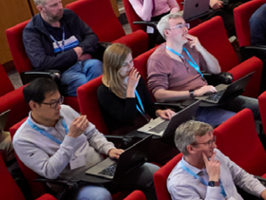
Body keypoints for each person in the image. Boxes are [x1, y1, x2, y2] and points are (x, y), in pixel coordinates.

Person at [16, 78, 160, 200]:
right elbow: (50, 172)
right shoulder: (23, 139)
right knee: (100, 196)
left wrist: (108, 149)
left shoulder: (65, 110)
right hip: (75, 184)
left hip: (101, 169)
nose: (59, 106)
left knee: (152, 172)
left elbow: (92, 134)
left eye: (60, 99)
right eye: (53, 103)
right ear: (34, 105)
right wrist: (70, 138)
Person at [148, 12, 258, 126]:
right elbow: (159, 95)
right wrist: (194, 93)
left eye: (186, 25)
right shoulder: (157, 60)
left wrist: (201, 49)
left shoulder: (189, 46)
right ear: (167, 32)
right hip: (190, 107)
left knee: (258, 106)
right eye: (180, 26)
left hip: (208, 96)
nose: (186, 29)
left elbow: (216, 70)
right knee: (238, 120)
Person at [166, 121, 266, 200]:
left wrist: (265, 193)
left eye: (213, 140)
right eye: (208, 143)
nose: (214, 146)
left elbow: (240, 176)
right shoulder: (179, 185)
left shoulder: (215, 154)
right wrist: (213, 181)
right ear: (191, 148)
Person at [23, 0, 103, 95]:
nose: (60, 7)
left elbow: (91, 36)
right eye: (54, 5)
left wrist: (81, 49)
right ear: (41, 8)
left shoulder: (68, 15)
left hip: (84, 61)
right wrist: (74, 55)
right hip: (62, 72)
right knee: (84, 84)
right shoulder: (32, 31)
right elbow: (42, 63)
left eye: (60, 2)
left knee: (97, 66)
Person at [98, 43, 174, 134]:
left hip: (147, 125)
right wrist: (130, 89)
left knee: (178, 131)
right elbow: (128, 120)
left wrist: (159, 112)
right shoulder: (105, 92)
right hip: (128, 135)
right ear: (114, 68)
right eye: (125, 64)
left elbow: (149, 105)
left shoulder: (135, 77)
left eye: (131, 61)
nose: (131, 66)